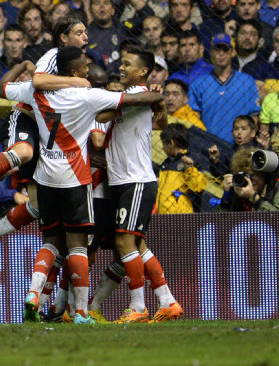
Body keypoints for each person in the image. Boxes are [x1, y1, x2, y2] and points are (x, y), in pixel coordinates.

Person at [0, 46, 165, 324]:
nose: (88, 68)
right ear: (75, 72)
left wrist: (19, 66)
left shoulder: (36, 92)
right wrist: (156, 94)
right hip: (78, 179)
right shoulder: (89, 96)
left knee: (53, 242)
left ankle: (40, 297)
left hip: (46, 177)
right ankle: (80, 311)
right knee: (79, 247)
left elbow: (0, 88)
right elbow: (128, 107)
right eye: (84, 66)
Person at [0, 16, 91, 264]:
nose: (86, 37)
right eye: (79, 32)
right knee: (24, 152)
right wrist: (75, 81)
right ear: (64, 38)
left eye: (85, 32)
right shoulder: (54, 56)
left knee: (38, 207)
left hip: (53, 135)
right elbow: (37, 81)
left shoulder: (82, 64)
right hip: (28, 119)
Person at [102, 45, 182, 323]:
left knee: (124, 242)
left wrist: (150, 100)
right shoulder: (140, 97)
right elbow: (159, 124)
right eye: (121, 62)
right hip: (128, 181)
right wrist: (156, 102)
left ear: (143, 71)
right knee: (137, 246)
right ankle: (168, 301)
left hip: (135, 181)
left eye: (128, 64)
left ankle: (137, 306)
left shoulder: (135, 95)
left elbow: (101, 116)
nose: (121, 67)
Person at [188, 33, 260, 144]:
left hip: (241, 144)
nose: (221, 54)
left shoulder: (246, 81)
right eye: (217, 50)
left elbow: (254, 116)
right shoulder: (199, 84)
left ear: (233, 52)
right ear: (211, 52)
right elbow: (194, 117)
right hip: (211, 144)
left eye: (225, 50)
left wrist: (248, 141)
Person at [156, 123, 207, 214]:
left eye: (164, 143)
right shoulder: (166, 163)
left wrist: (189, 168)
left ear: (171, 142)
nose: (163, 148)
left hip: (182, 216)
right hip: (162, 215)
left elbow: (199, 187)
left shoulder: (193, 159)